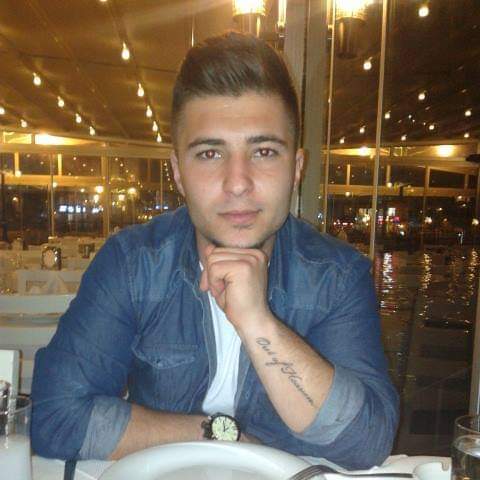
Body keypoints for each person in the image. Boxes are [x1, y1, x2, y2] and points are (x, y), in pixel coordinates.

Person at [31, 32, 398, 470]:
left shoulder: (336, 275)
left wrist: (257, 322)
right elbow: (55, 417)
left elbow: (367, 441)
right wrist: (222, 436)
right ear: (178, 172)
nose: (237, 183)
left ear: (296, 168)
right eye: (209, 153)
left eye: (264, 151)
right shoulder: (132, 264)